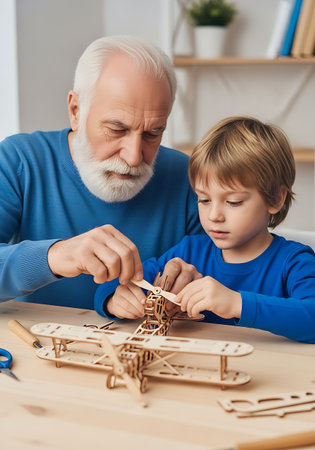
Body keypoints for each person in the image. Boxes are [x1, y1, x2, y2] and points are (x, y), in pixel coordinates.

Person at [0, 35, 203, 309]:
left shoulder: (188, 177)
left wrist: (200, 279)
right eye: (117, 129)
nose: (133, 157)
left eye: (153, 134)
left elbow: (233, 270)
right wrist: (56, 256)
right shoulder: (18, 161)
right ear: (75, 111)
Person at [95, 116, 315, 343]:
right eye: (204, 200)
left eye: (234, 202)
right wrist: (114, 299)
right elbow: (124, 282)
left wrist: (236, 304)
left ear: (276, 199)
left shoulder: (294, 261)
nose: (214, 216)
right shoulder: (189, 251)